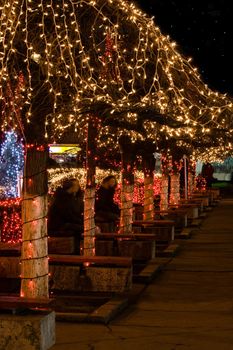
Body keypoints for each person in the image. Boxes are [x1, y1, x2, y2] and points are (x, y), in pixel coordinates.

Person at [47, 178, 84, 254]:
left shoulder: (67, 197)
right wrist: (81, 223)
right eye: (76, 186)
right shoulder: (63, 199)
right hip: (58, 227)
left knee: (80, 228)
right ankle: (76, 254)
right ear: (72, 187)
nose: (78, 188)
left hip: (63, 224)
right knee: (80, 229)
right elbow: (68, 215)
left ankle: (77, 253)